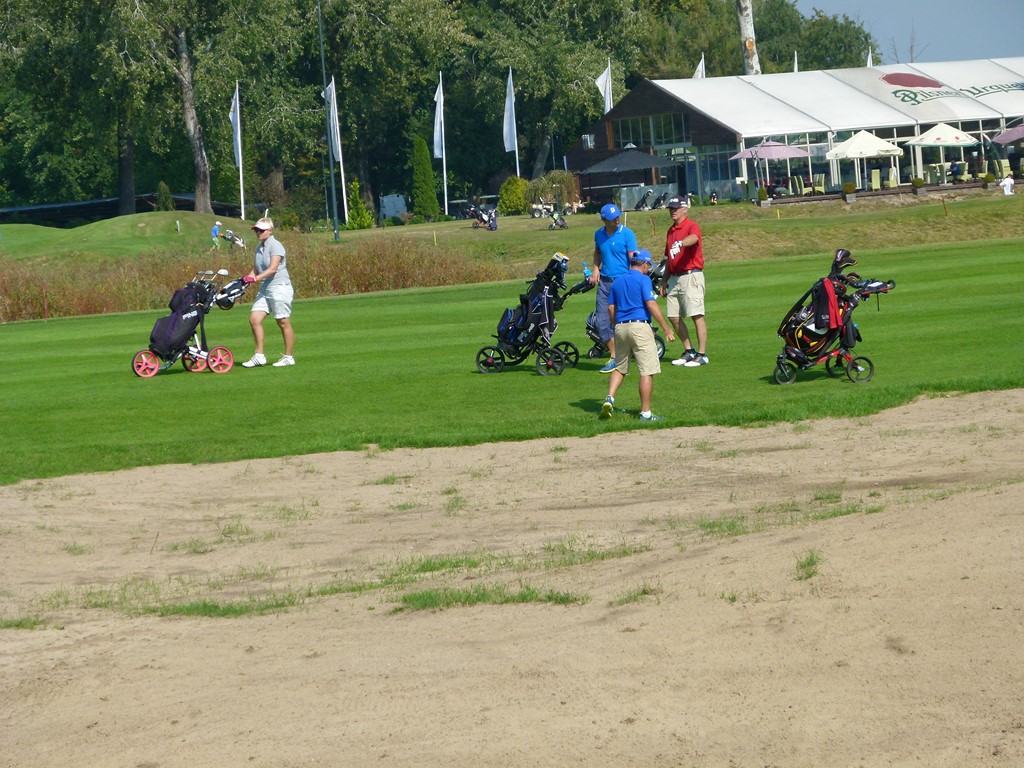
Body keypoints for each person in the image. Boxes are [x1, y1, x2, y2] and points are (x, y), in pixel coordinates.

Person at [600, 250, 675, 422]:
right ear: (644, 264)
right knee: (647, 371)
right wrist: (666, 328)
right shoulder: (643, 279)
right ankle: (645, 413)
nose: (648, 269)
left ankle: (609, 398)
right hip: (639, 326)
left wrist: (617, 324)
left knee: (620, 367)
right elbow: (651, 304)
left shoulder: (618, 281)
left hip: (620, 327)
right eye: (648, 265)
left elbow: (611, 308)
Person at [241, 217, 295, 368]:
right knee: (254, 319)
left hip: (279, 287)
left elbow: (273, 269)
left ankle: (289, 357)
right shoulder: (259, 248)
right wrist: (244, 281)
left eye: (261, 230)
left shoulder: (276, 245)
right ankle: (259, 356)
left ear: (269, 231)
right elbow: (255, 269)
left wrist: (255, 279)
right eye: (256, 230)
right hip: (265, 288)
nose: (258, 233)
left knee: (282, 321)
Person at [590, 202, 638, 373]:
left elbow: (633, 259)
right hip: (605, 282)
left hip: (622, 281)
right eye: (612, 218)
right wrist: (595, 268)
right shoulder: (599, 235)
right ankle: (614, 356)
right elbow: (598, 252)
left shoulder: (627, 234)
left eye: (617, 216)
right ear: (603, 219)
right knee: (602, 322)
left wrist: (633, 279)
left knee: (625, 320)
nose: (616, 220)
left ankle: (629, 352)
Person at [662, 195, 708, 367]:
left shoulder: (691, 225)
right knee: (673, 316)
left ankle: (702, 355)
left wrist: (680, 243)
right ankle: (689, 351)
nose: (673, 211)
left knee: (696, 315)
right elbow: (669, 259)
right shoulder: (670, 231)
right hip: (674, 278)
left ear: (684, 209)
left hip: (691, 275)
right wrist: (664, 280)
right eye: (671, 209)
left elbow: (694, 238)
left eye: (676, 208)